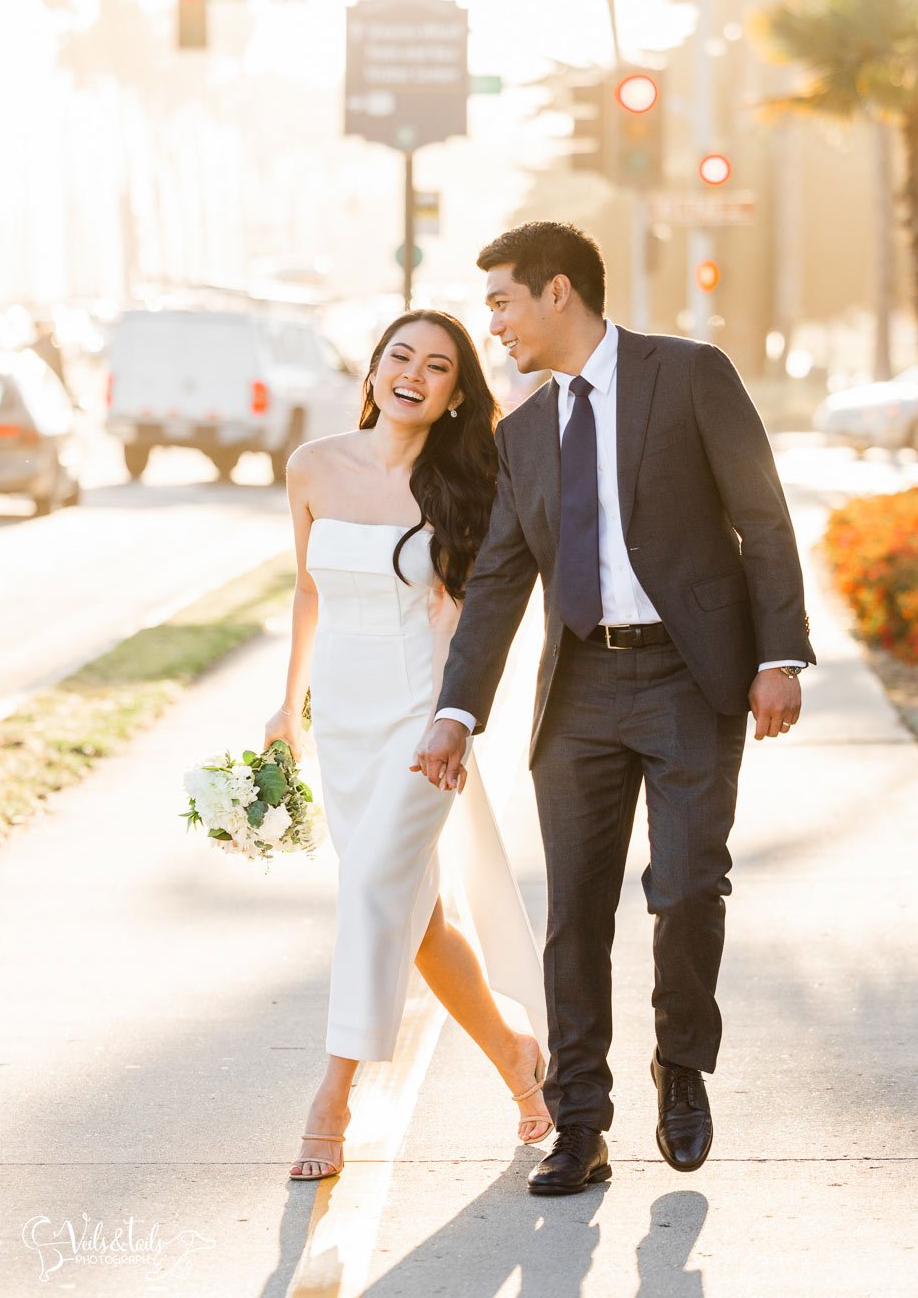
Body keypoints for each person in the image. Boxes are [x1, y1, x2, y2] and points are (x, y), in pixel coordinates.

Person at [414, 222, 815, 1196]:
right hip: (581, 690)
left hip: (689, 677)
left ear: (558, 293)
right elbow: (501, 584)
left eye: (502, 300)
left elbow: (759, 513)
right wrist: (456, 712)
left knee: (684, 886)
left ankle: (679, 1063)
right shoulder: (521, 433)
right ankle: (580, 1124)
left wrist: (777, 653)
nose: (493, 323)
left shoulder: (687, 375)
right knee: (574, 915)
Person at [269, 309, 551, 1181]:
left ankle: (332, 1096)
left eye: (437, 366)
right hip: (343, 720)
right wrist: (286, 709)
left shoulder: (464, 487)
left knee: (372, 889)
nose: (413, 375)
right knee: (412, 913)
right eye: (401, 357)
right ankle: (514, 1056)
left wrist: (455, 718)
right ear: (374, 368)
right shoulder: (312, 466)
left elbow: (473, 618)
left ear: (457, 392)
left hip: (420, 716)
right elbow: (307, 592)